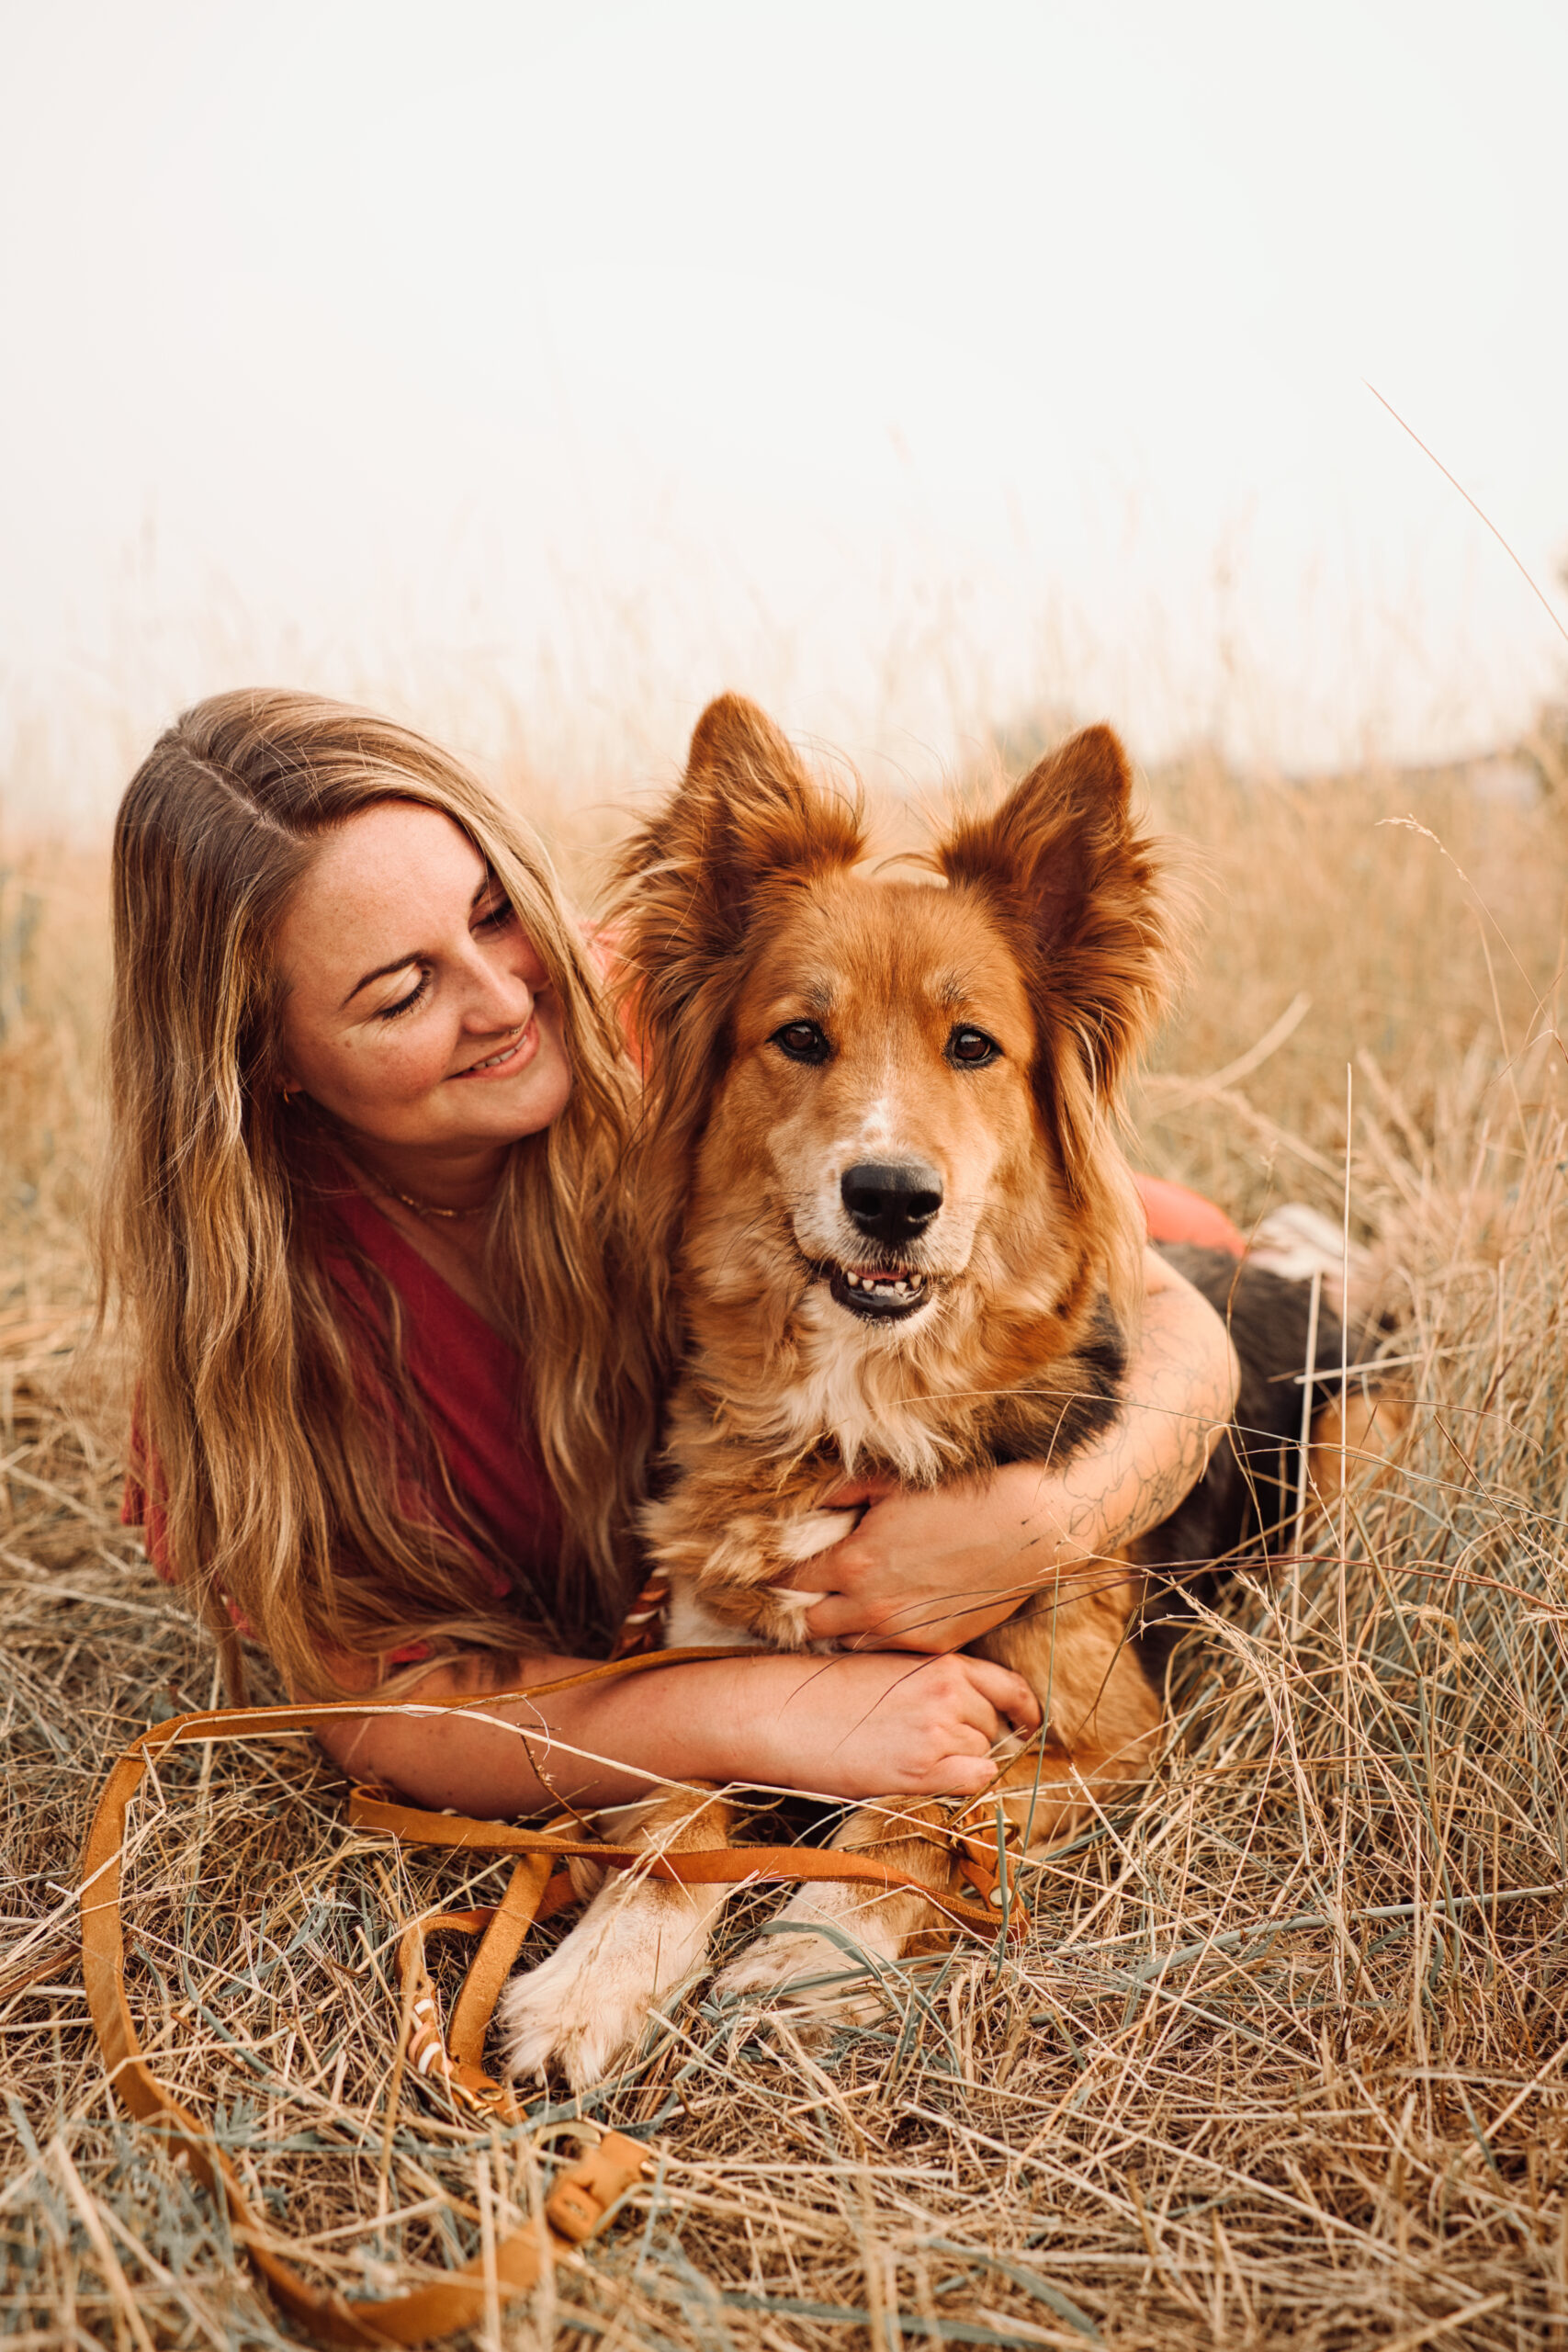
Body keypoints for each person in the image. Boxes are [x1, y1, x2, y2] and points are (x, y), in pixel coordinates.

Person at [107, 690, 1240, 1821]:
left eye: (496, 913)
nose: (504, 1001)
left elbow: (1160, 1294)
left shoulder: (618, 1009)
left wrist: (1044, 1523)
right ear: (267, 1060)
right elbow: (387, 1713)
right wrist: (771, 1714)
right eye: (404, 989)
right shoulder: (246, 1337)